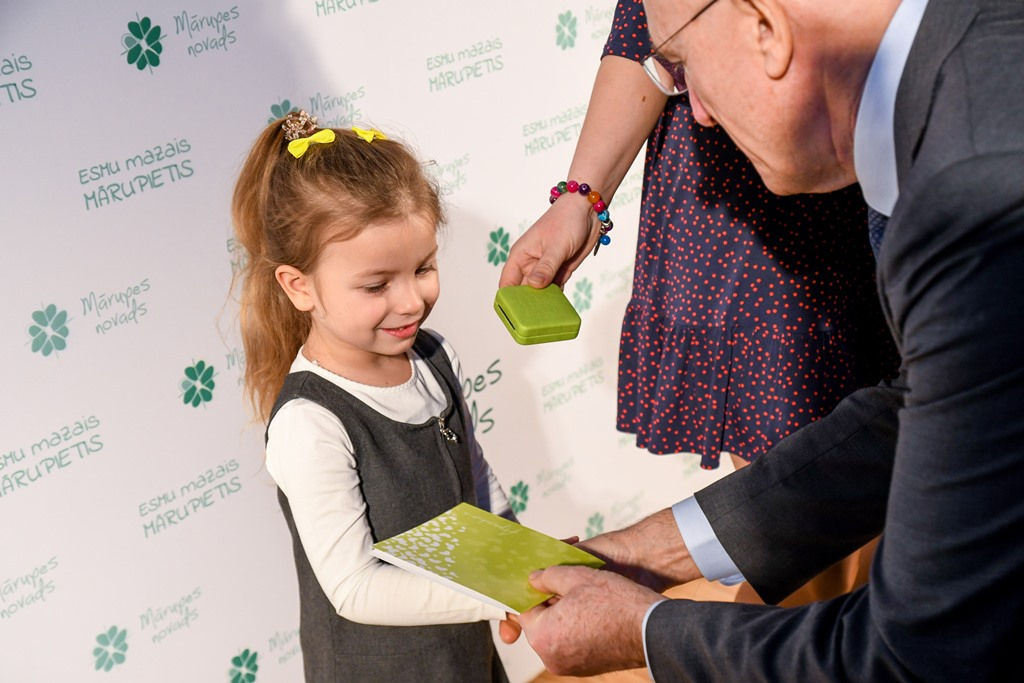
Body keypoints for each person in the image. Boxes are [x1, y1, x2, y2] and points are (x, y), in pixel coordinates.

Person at [510, 0, 1024, 680]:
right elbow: (923, 409)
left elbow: (918, 655)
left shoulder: (972, 194)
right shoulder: (964, 65)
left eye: (682, 70)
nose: (695, 115)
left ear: (767, 29)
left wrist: (644, 629)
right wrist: (644, 553)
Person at [231, 111, 514, 682]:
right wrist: (505, 594)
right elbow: (355, 587)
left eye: (424, 268)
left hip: (462, 654)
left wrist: (523, 563)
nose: (411, 301)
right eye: (377, 285)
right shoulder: (310, 423)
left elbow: (475, 478)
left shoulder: (435, 358)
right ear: (299, 285)